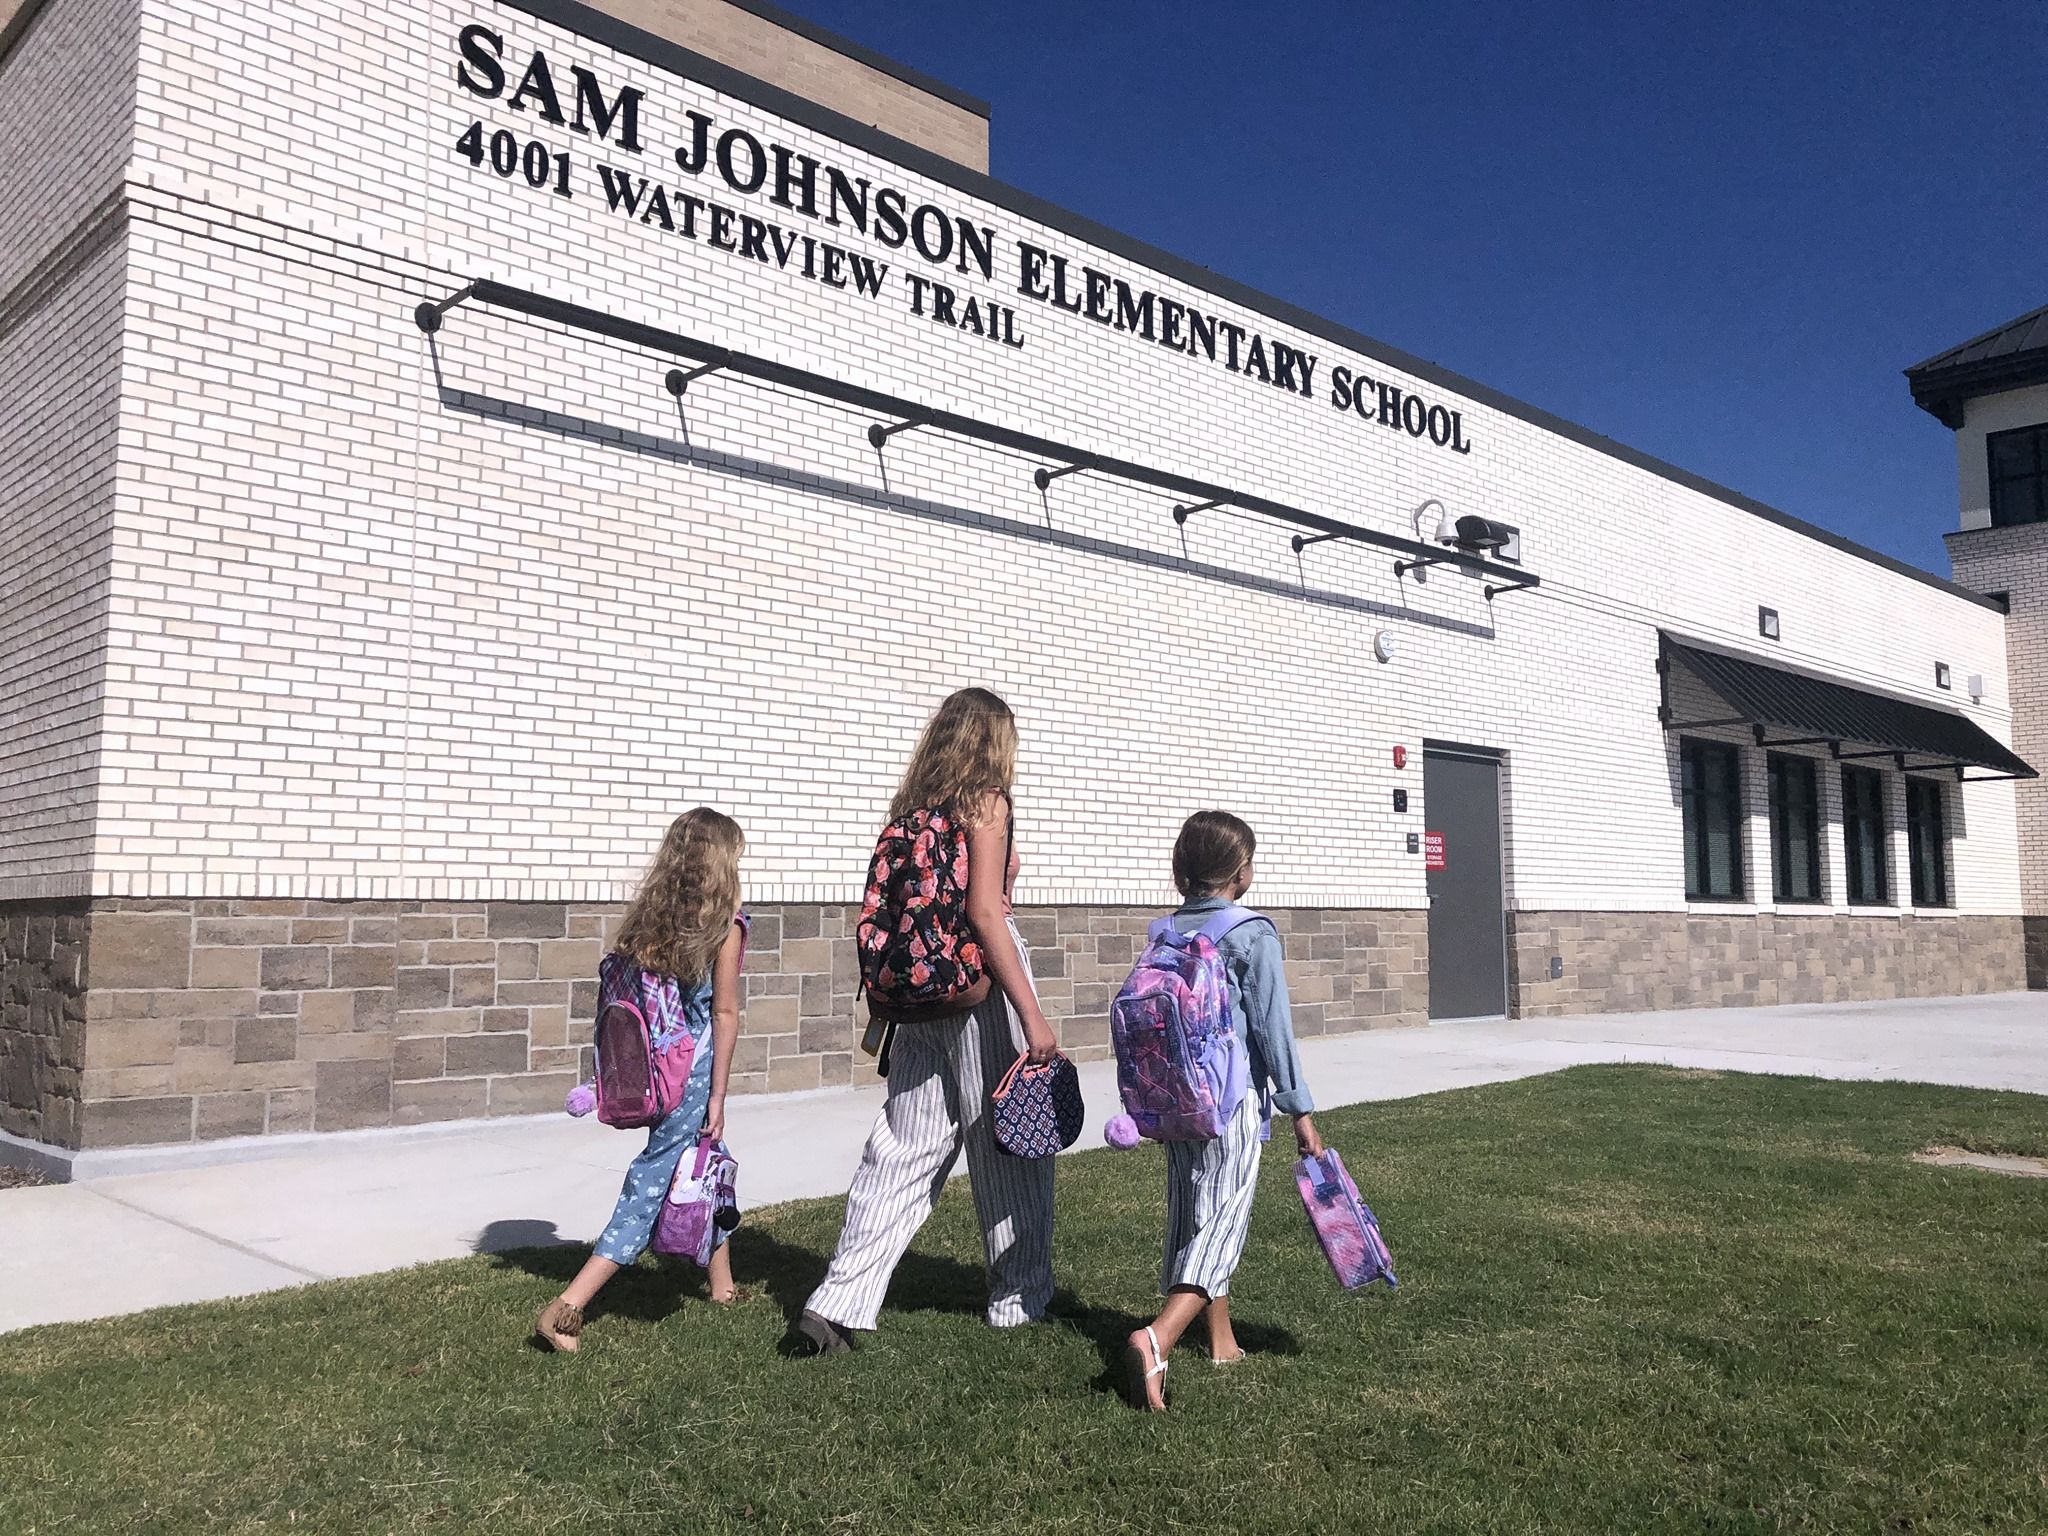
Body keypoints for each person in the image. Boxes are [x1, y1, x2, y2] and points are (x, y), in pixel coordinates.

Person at [792, 688, 1059, 1354]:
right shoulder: (986, 803)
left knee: (901, 1148)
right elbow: (988, 915)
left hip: (917, 999)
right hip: (978, 986)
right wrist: (1032, 1018)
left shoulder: (911, 812)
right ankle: (1018, 1302)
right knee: (1010, 1144)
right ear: (996, 742)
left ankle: (837, 1304)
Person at [1124, 810, 1322, 1411]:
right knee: (1223, 1224)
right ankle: (1157, 1338)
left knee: (1191, 1216)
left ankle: (1222, 1340)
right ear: (1240, 872)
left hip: (1174, 1101)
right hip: (1228, 1102)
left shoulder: (1166, 930)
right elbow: (1272, 1031)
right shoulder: (1250, 933)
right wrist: (1301, 1113)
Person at [534, 808, 748, 1352]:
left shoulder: (649, 923)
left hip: (653, 1070)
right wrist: (718, 1094)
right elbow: (724, 1014)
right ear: (723, 866)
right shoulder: (724, 929)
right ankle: (568, 1307)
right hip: (692, 1076)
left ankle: (722, 1286)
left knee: (706, 1164)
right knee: (650, 1184)